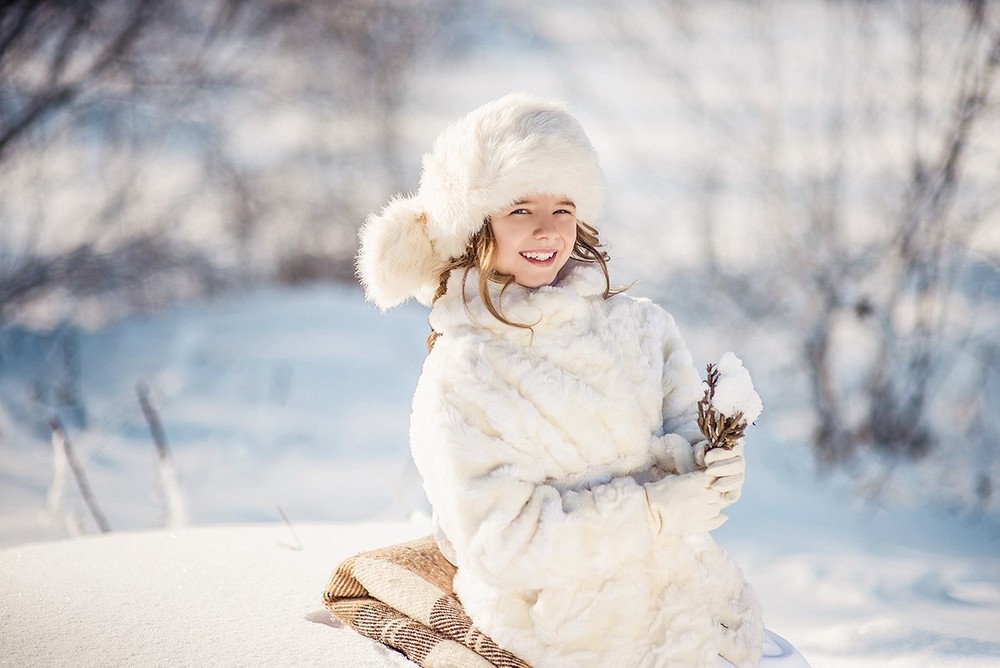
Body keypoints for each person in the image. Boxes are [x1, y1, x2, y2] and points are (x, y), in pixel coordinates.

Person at [356, 93, 764, 668]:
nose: (548, 229)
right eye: (521, 208)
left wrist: (712, 466)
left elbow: (680, 435)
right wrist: (654, 511)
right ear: (475, 225)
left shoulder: (642, 328)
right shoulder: (464, 371)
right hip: (572, 639)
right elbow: (504, 544)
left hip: (705, 619)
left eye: (564, 208)